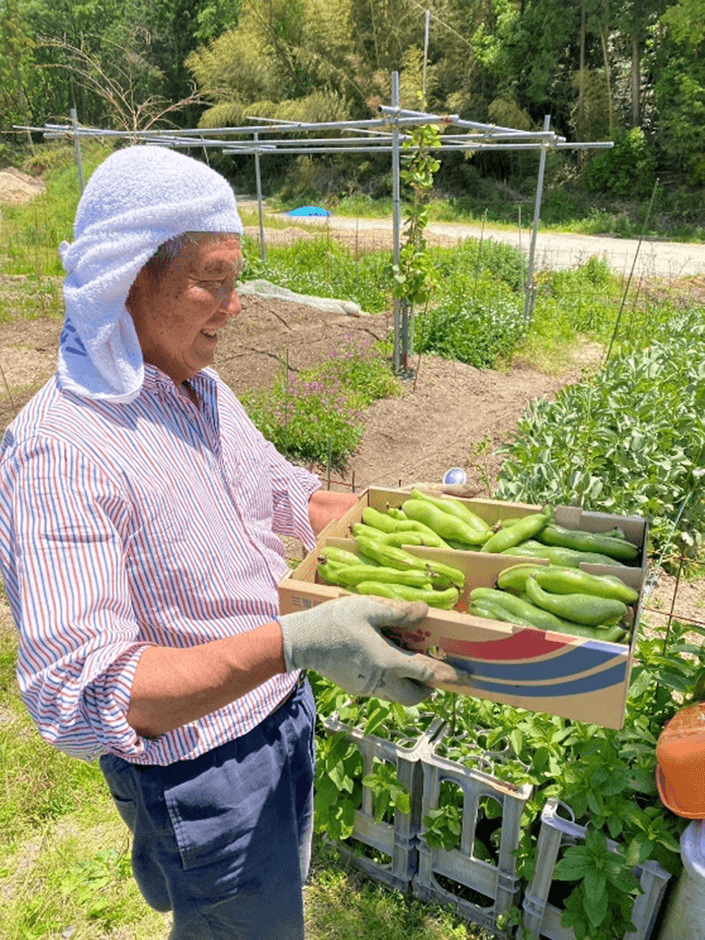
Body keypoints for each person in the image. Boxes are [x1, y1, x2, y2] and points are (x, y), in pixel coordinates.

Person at [0, 145, 461, 940]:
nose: (235, 303)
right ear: (129, 276)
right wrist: (295, 641)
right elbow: (89, 692)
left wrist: (402, 519)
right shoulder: (60, 451)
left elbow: (286, 494)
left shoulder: (193, 387)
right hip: (203, 766)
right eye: (213, 278)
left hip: (281, 712)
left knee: (268, 913)